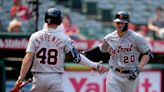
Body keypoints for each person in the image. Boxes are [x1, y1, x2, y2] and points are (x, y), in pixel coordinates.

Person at [10, 8, 108, 92]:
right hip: (55, 78)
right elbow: (77, 58)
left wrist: (20, 79)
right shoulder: (64, 38)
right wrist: (95, 65)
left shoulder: (35, 36)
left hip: (38, 77)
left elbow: (28, 58)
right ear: (59, 21)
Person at [83, 11, 153, 92]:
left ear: (127, 24)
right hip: (114, 73)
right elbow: (101, 49)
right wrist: (87, 53)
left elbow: (147, 53)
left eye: (122, 23)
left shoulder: (136, 37)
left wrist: (139, 68)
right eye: (117, 22)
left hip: (130, 75)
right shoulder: (109, 37)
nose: (119, 25)